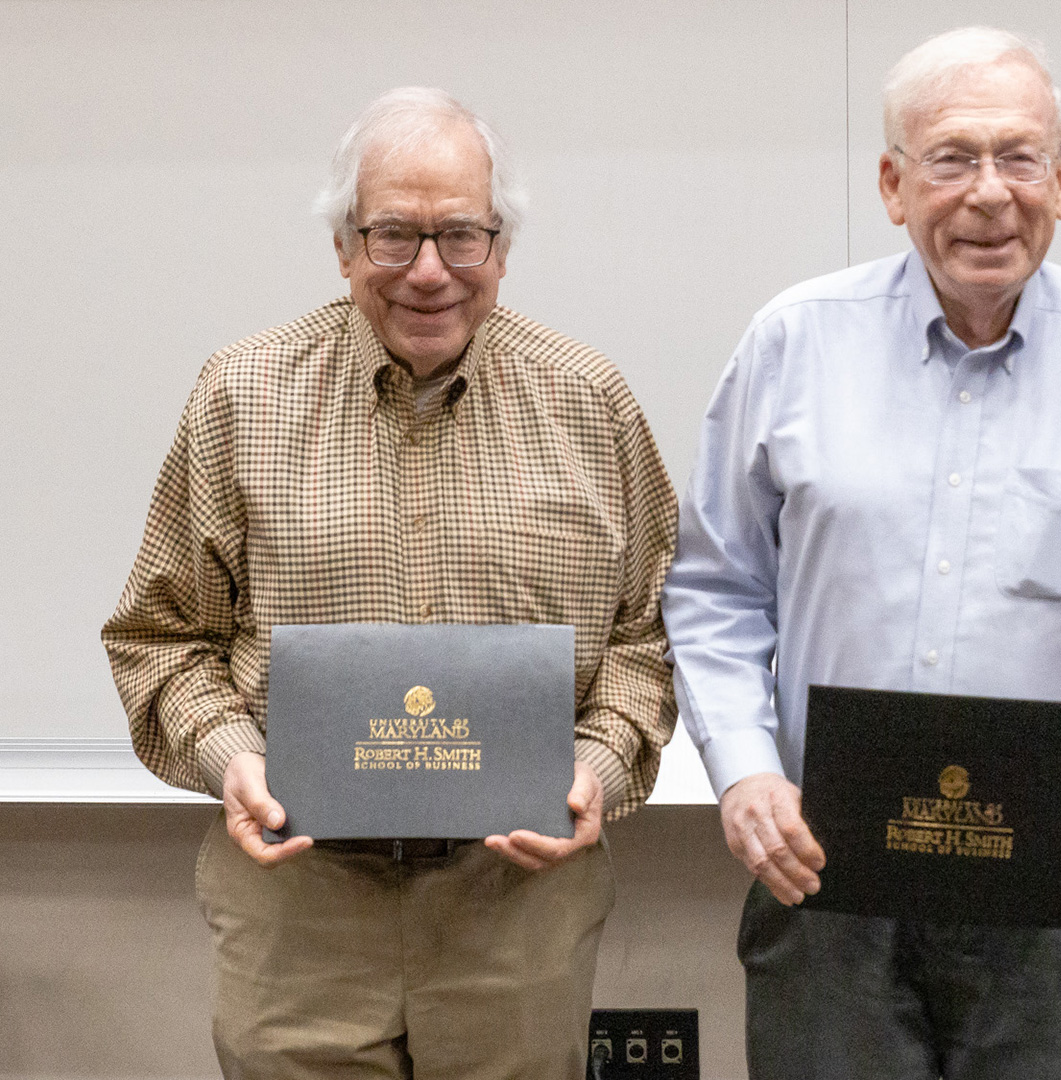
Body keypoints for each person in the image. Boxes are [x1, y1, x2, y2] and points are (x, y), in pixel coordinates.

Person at [663, 26, 1061, 1080]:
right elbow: (716, 589)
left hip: (1053, 887)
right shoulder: (792, 341)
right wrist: (740, 772)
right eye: (952, 158)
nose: (988, 194)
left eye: (1019, 157)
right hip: (825, 878)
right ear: (892, 182)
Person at [101, 87, 677, 1079]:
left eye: (460, 235)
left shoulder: (591, 403)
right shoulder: (242, 395)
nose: (428, 272)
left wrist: (600, 764)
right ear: (342, 244)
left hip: (518, 909)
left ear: (501, 246)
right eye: (393, 235)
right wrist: (234, 758)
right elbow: (163, 639)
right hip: (299, 904)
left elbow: (650, 638)